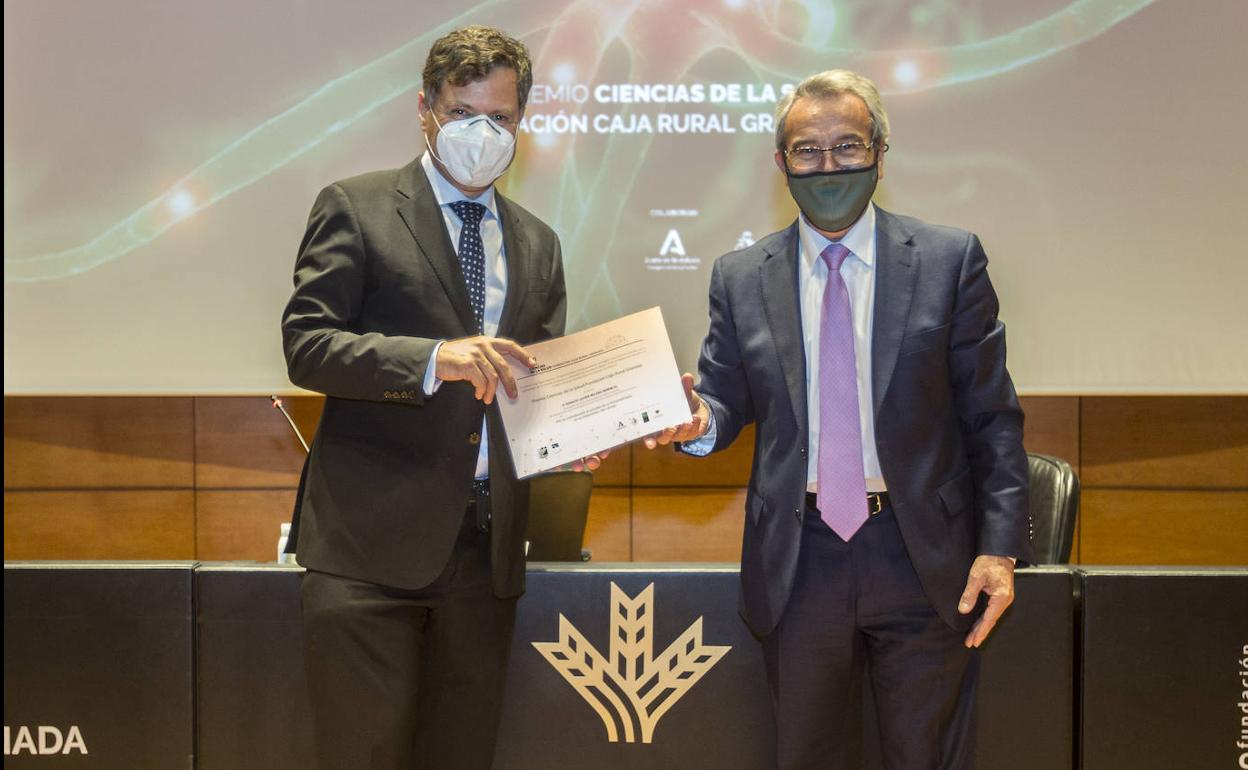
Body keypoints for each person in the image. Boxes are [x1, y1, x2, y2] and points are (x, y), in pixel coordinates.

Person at [646, 69, 1032, 769]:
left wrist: (1000, 550)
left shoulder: (949, 261)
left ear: (882, 152)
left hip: (924, 560)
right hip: (801, 562)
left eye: (848, 146)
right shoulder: (741, 276)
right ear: (781, 163)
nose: (829, 166)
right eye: (808, 151)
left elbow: (992, 418)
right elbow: (726, 402)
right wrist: (695, 419)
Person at [281, 25, 602, 770]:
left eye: (500, 119)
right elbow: (307, 345)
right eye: (463, 115)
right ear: (424, 109)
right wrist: (433, 359)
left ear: (522, 121)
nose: (482, 135)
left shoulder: (538, 241)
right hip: (367, 551)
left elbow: (534, 382)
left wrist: (578, 425)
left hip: (483, 556)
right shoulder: (357, 208)